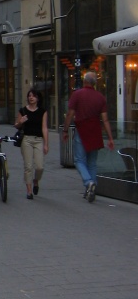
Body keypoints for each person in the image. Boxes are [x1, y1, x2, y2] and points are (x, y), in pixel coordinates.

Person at [62, 71, 115, 202]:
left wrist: (65, 130)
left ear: (84, 81)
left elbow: (70, 114)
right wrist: (110, 138)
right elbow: (105, 119)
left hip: (82, 129)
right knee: (92, 162)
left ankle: (88, 182)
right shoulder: (100, 97)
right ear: (94, 83)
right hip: (95, 130)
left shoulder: (77, 94)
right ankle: (92, 187)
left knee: (79, 160)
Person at [15, 88, 49, 199]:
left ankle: (36, 180)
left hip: (38, 140)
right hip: (27, 140)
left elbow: (44, 128)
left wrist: (46, 144)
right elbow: (16, 125)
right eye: (29, 96)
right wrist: (20, 122)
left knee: (40, 167)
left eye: (33, 96)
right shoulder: (23, 110)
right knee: (28, 166)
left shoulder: (42, 112)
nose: (31, 98)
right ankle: (29, 191)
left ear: (38, 98)